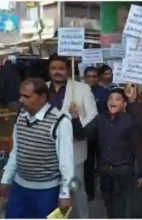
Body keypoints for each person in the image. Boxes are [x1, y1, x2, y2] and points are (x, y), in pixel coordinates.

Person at [1, 78, 74, 218]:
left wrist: (65, 194)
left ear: (42, 97)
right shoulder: (20, 116)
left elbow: (66, 163)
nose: (21, 100)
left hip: (47, 192)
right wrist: (5, 180)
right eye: (20, 95)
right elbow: (16, 151)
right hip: (19, 188)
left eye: (26, 96)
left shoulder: (60, 122)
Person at [47, 55, 98, 218]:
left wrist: (76, 121)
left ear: (68, 70)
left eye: (61, 69)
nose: (57, 72)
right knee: (53, 190)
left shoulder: (82, 89)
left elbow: (92, 115)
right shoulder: (42, 89)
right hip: (48, 150)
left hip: (74, 148)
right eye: (53, 68)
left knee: (75, 189)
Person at [84, 87, 142, 218]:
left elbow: (138, 147)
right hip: (104, 171)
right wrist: (75, 118)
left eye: (117, 99)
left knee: (119, 208)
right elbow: (84, 135)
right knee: (108, 206)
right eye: (110, 98)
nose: (113, 101)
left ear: (124, 104)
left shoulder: (130, 120)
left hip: (122, 171)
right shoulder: (99, 119)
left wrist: (141, 172)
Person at [83, 66, 110, 201]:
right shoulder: (79, 91)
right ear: (84, 77)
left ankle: (105, 190)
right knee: (87, 164)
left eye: (94, 77)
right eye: (89, 76)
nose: (92, 79)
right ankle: (89, 192)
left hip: (101, 133)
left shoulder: (104, 93)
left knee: (102, 164)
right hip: (85, 133)